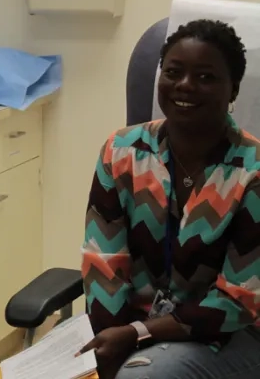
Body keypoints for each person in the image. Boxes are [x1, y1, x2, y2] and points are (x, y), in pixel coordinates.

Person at [78, 19, 260, 379]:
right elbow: (104, 262)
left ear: (233, 89)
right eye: (173, 72)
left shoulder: (252, 172)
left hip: (226, 332)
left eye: (205, 77)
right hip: (130, 326)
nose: (185, 86)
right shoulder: (121, 151)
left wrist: (136, 334)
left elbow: (238, 301)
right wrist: (108, 341)